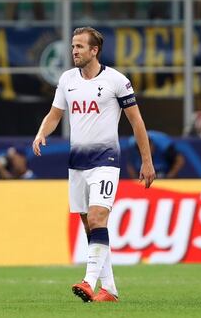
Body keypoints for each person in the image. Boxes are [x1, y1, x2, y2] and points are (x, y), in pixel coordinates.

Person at [32, 26, 155, 303]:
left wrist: (147, 161)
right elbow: (54, 114)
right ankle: (109, 290)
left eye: (79, 46)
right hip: (77, 163)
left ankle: (88, 282)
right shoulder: (66, 80)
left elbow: (136, 121)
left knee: (99, 218)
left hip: (106, 161)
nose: (74, 51)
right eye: (73, 46)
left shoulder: (117, 81)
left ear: (94, 50)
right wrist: (42, 132)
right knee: (91, 226)